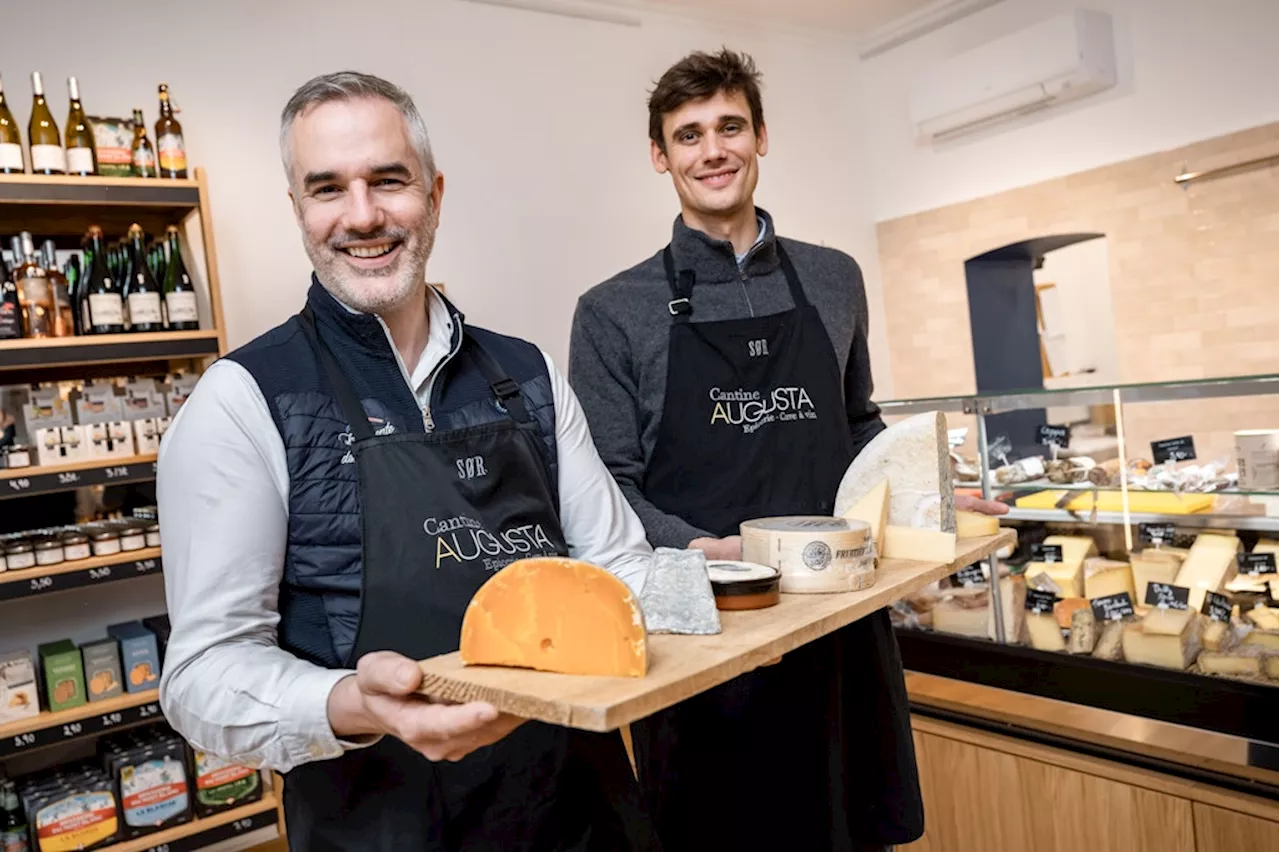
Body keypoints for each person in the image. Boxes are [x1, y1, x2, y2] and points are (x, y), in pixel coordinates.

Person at [157, 71, 660, 851]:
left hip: (579, 812)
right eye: (328, 189)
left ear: (434, 192)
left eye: (388, 180)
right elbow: (201, 677)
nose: (362, 216)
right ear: (298, 210)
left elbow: (618, 569)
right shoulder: (242, 401)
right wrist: (357, 704)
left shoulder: (528, 374)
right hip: (381, 826)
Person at [568, 49, 1007, 852]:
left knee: (849, 826)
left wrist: (929, 495)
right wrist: (701, 552)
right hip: (707, 632)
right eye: (689, 135)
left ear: (760, 137)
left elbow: (857, 425)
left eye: (730, 126)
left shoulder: (833, 279)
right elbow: (605, 489)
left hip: (841, 616)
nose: (713, 150)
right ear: (661, 157)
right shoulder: (611, 311)